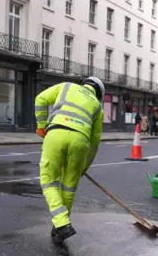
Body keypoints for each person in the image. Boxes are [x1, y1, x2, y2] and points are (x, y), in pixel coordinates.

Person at [34, 77, 105, 245]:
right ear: (99, 93)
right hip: (81, 142)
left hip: (56, 133)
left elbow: (40, 99)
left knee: (49, 180)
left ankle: (61, 222)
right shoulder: (97, 106)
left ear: (85, 84)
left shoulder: (66, 87)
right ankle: (58, 227)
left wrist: (42, 125)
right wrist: (84, 165)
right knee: (68, 186)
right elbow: (95, 142)